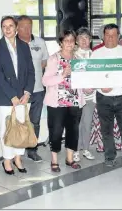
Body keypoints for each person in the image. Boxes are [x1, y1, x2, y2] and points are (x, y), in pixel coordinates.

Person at [91, 23, 122, 168]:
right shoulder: (96, 54)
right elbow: (91, 75)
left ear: (118, 36)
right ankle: (109, 156)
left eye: (114, 35)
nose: (111, 38)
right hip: (103, 96)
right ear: (103, 36)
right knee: (106, 129)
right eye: (108, 35)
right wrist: (100, 86)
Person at [0, 16, 35, 175]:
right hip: (4, 97)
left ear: (16, 28)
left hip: (23, 96)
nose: (8, 29)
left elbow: (31, 71)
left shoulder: (24, 46)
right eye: (4, 26)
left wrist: (27, 92)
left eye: (11, 26)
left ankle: (18, 158)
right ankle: (7, 161)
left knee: (21, 129)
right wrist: (12, 97)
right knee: (7, 130)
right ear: (1, 29)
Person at [42, 30, 85, 172]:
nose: (69, 43)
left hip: (74, 101)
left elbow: (82, 81)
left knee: (73, 131)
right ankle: (54, 160)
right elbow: (45, 80)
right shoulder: (53, 59)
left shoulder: (78, 59)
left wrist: (88, 87)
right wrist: (62, 75)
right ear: (60, 42)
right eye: (66, 40)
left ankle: (70, 158)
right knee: (56, 132)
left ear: (75, 43)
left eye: (72, 40)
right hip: (57, 103)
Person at [16, 15, 49, 162]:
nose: (27, 29)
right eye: (23, 26)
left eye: (29, 26)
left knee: (34, 121)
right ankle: (17, 151)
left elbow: (44, 62)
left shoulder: (40, 42)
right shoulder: (13, 43)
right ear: (17, 28)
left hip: (38, 90)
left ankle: (32, 150)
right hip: (19, 92)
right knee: (19, 121)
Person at [73, 27, 96, 162]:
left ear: (90, 40)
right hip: (77, 95)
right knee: (76, 124)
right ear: (76, 40)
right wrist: (83, 87)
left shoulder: (95, 56)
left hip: (91, 96)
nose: (83, 40)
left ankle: (86, 149)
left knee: (87, 123)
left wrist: (93, 87)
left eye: (86, 38)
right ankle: (75, 149)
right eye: (80, 38)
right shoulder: (73, 55)